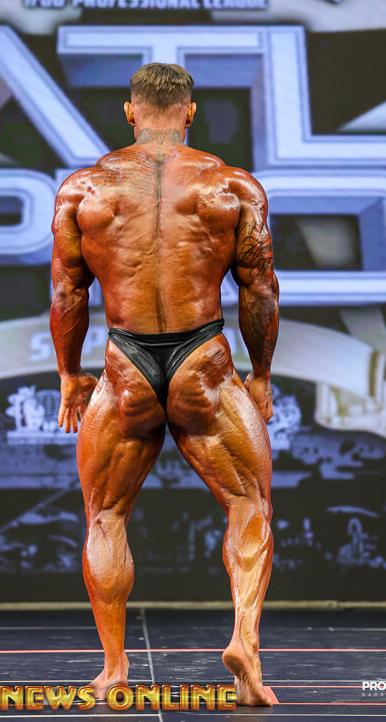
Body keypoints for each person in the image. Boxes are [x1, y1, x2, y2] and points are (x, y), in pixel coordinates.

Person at [50, 63, 279, 706]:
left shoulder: (84, 190)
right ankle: (245, 644)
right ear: (190, 112)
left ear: (130, 112)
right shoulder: (231, 186)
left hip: (126, 363)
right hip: (202, 359)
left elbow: (67, 292)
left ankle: (114, 669)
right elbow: (259, 288)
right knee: (249, 504)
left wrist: (69, 374)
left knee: (106, 516)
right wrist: (260, 374)